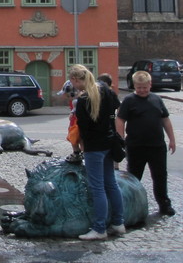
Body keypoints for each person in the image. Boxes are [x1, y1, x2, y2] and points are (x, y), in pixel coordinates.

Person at [68, 64, 125, 240]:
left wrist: (81, 146)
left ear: (76, 80)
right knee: (111, 184)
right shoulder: (105, 90)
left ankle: (100, 228)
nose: (73, 86)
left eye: (72, 82)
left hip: (94, 147)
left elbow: (83, 129)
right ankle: (118, 222)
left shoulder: (83, 100)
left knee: (97, 188)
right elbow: (116, 106)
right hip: (109, 142)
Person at [116, 70, 176, 217]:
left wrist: (172, 139)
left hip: (157, 145)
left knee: (160, 176)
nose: (142, 90)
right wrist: (121, 139)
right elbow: (120, 120)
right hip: (136, 146)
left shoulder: (157, 99)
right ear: (134, 86)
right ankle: (131, 205)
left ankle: (164, 204)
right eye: (139, 88)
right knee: (134, 177)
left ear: (150, 84)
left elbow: (165, 120)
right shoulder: (129, 100)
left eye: (144, 87)